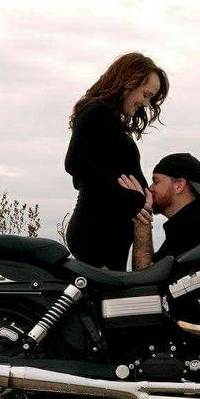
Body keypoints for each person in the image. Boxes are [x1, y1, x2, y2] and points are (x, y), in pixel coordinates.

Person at [65, 52, 169, 270]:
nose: (146, 103)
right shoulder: (96, 113)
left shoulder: (109, 120)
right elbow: (75, 163)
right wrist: (130, 196)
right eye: (146, 94)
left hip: (108, 233)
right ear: (129, 83)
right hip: (96, 232)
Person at [119, 153, 200, 270]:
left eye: (156, 182)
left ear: (179, 185)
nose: (150, 188)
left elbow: (145, 278)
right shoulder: (198, 223)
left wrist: (142, 222)